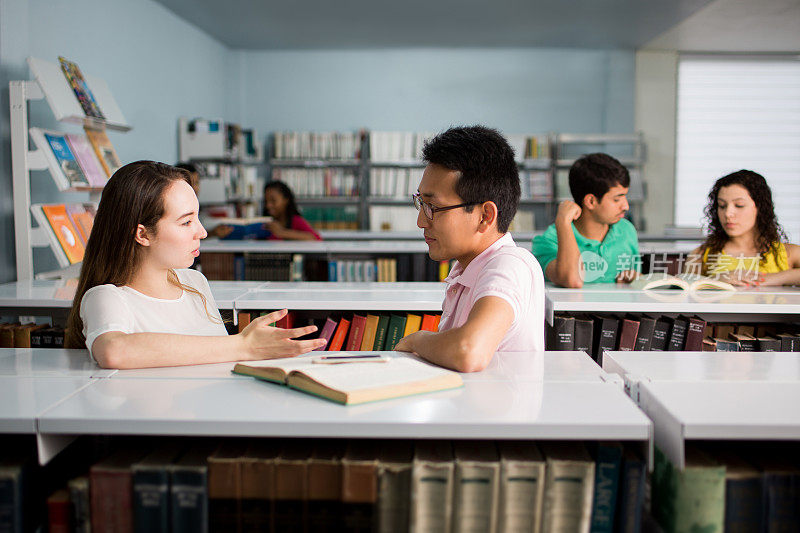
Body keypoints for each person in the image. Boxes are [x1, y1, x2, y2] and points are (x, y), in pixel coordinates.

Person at [64, 161, 326, 369]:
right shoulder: (106, 297)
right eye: (186, 222)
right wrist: (243, 345)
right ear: (142, 234)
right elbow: (114, 351)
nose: (202, 232)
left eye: (197, 218)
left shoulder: (193, 281)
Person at [394, 126, 545, 373]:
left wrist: (417, 340)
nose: (421, 220)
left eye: (432, 206)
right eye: (420, 203)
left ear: (485, 216)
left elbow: (469, 351)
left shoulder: (510, 265)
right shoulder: (467, 268)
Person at [531, 153, 639, 287]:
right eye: (617, 199)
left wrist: (634, 277)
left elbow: (634, 278)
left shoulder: (626, 230)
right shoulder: (549, 241)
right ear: (591, 201)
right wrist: (563, 222)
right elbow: (572, 280)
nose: (626, 206)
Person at [685, 169, 800, 286]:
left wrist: (773, 278)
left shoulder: (789, 254)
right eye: (722, 206)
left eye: (739, 205)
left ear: (760, 208)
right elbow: (686, 289)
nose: (728, 213)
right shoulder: (700, 255)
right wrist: (715, 280)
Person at [213, 181, 321, 241]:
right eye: (266, 201)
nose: (268, 205)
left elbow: (315, 239)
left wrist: (282, 233)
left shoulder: (295, 221)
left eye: (273, 201)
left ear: (286, 200)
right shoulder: (264, 223)